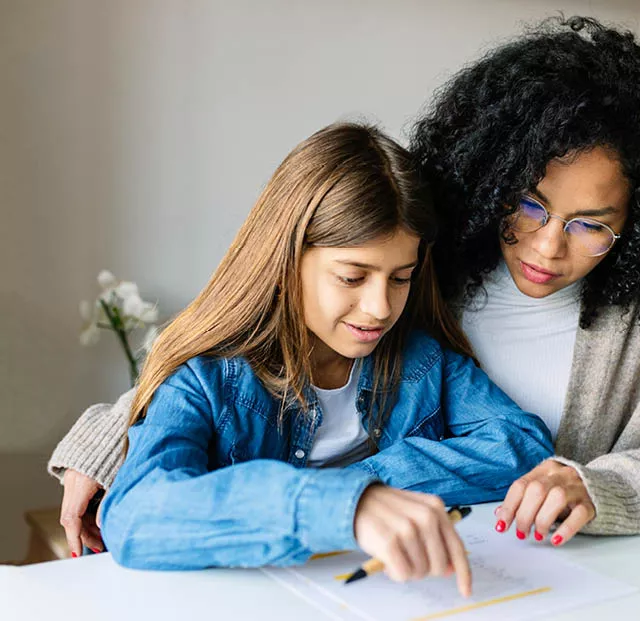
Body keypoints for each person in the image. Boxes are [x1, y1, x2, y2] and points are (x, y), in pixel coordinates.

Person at [50, 15, 640, 557]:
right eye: (529, 204)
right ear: (491, 178)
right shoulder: (434, 255)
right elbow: (236, 348)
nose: (547, 246)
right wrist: (116, 433)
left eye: (591, 224)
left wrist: (605, 485)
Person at [95, 123, 553, 597]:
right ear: (286, 260)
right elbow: (135, 514)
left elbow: (521, 446)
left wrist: (372, 484)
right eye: (353, 278)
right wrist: (341, 506)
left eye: (401, 278)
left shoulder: (422, 360)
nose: (380, 308)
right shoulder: (208, 379)